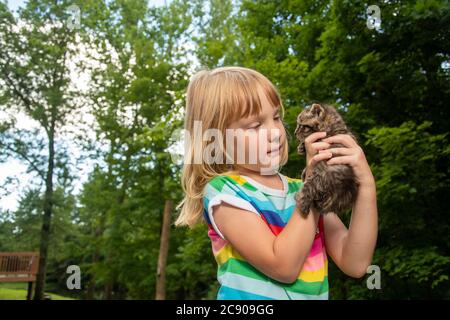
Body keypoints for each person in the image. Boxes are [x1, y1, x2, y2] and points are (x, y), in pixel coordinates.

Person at [175, 66, 378, 300]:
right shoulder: (224, 192)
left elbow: (355, 262)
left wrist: (366, 186)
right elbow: (283, 267)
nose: (274, 132)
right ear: (216, 139)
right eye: (255, 125)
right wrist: (313, 185)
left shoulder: (301, 189)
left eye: (276, 117)